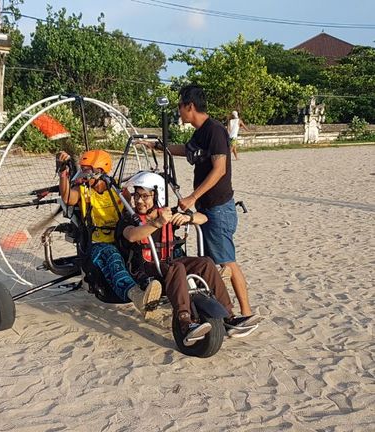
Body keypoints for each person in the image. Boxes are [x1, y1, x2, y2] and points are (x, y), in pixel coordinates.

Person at [140, 84, 257, 320]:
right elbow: (187, 150)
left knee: (227, 261)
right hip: (207, 208)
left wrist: (192, 197)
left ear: (189, 106)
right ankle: (221, 309)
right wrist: (157, 146)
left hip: (218, 208)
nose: (178, 112)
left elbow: (219, 169)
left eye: (180, 107)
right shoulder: (200, 132)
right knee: (213, 262)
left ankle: (245, 313)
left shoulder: (214, 130)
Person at [118, 172, 258, 343]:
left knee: (205, 263)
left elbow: (204, 218)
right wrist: (156, 223)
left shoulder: (167, 213)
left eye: (145, 196)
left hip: (167, 264)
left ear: (157, 196)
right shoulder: (129, 218)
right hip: (145, 269)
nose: (139, 201)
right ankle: (185, 321)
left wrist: (188, 217)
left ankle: (229, 317)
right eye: (136, 195)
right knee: (177, 268)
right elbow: (132, 236)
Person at [57, 149, 161, 318]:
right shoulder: (83, 190)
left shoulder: (118, 190)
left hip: (121, 238)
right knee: (111, 255)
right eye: (83, 169)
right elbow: (68, 197)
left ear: (101, 170)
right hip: (97, 244)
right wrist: (63, 174)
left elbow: (135, 207)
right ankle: (137, 297)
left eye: (88, 170)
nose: (84, 174)